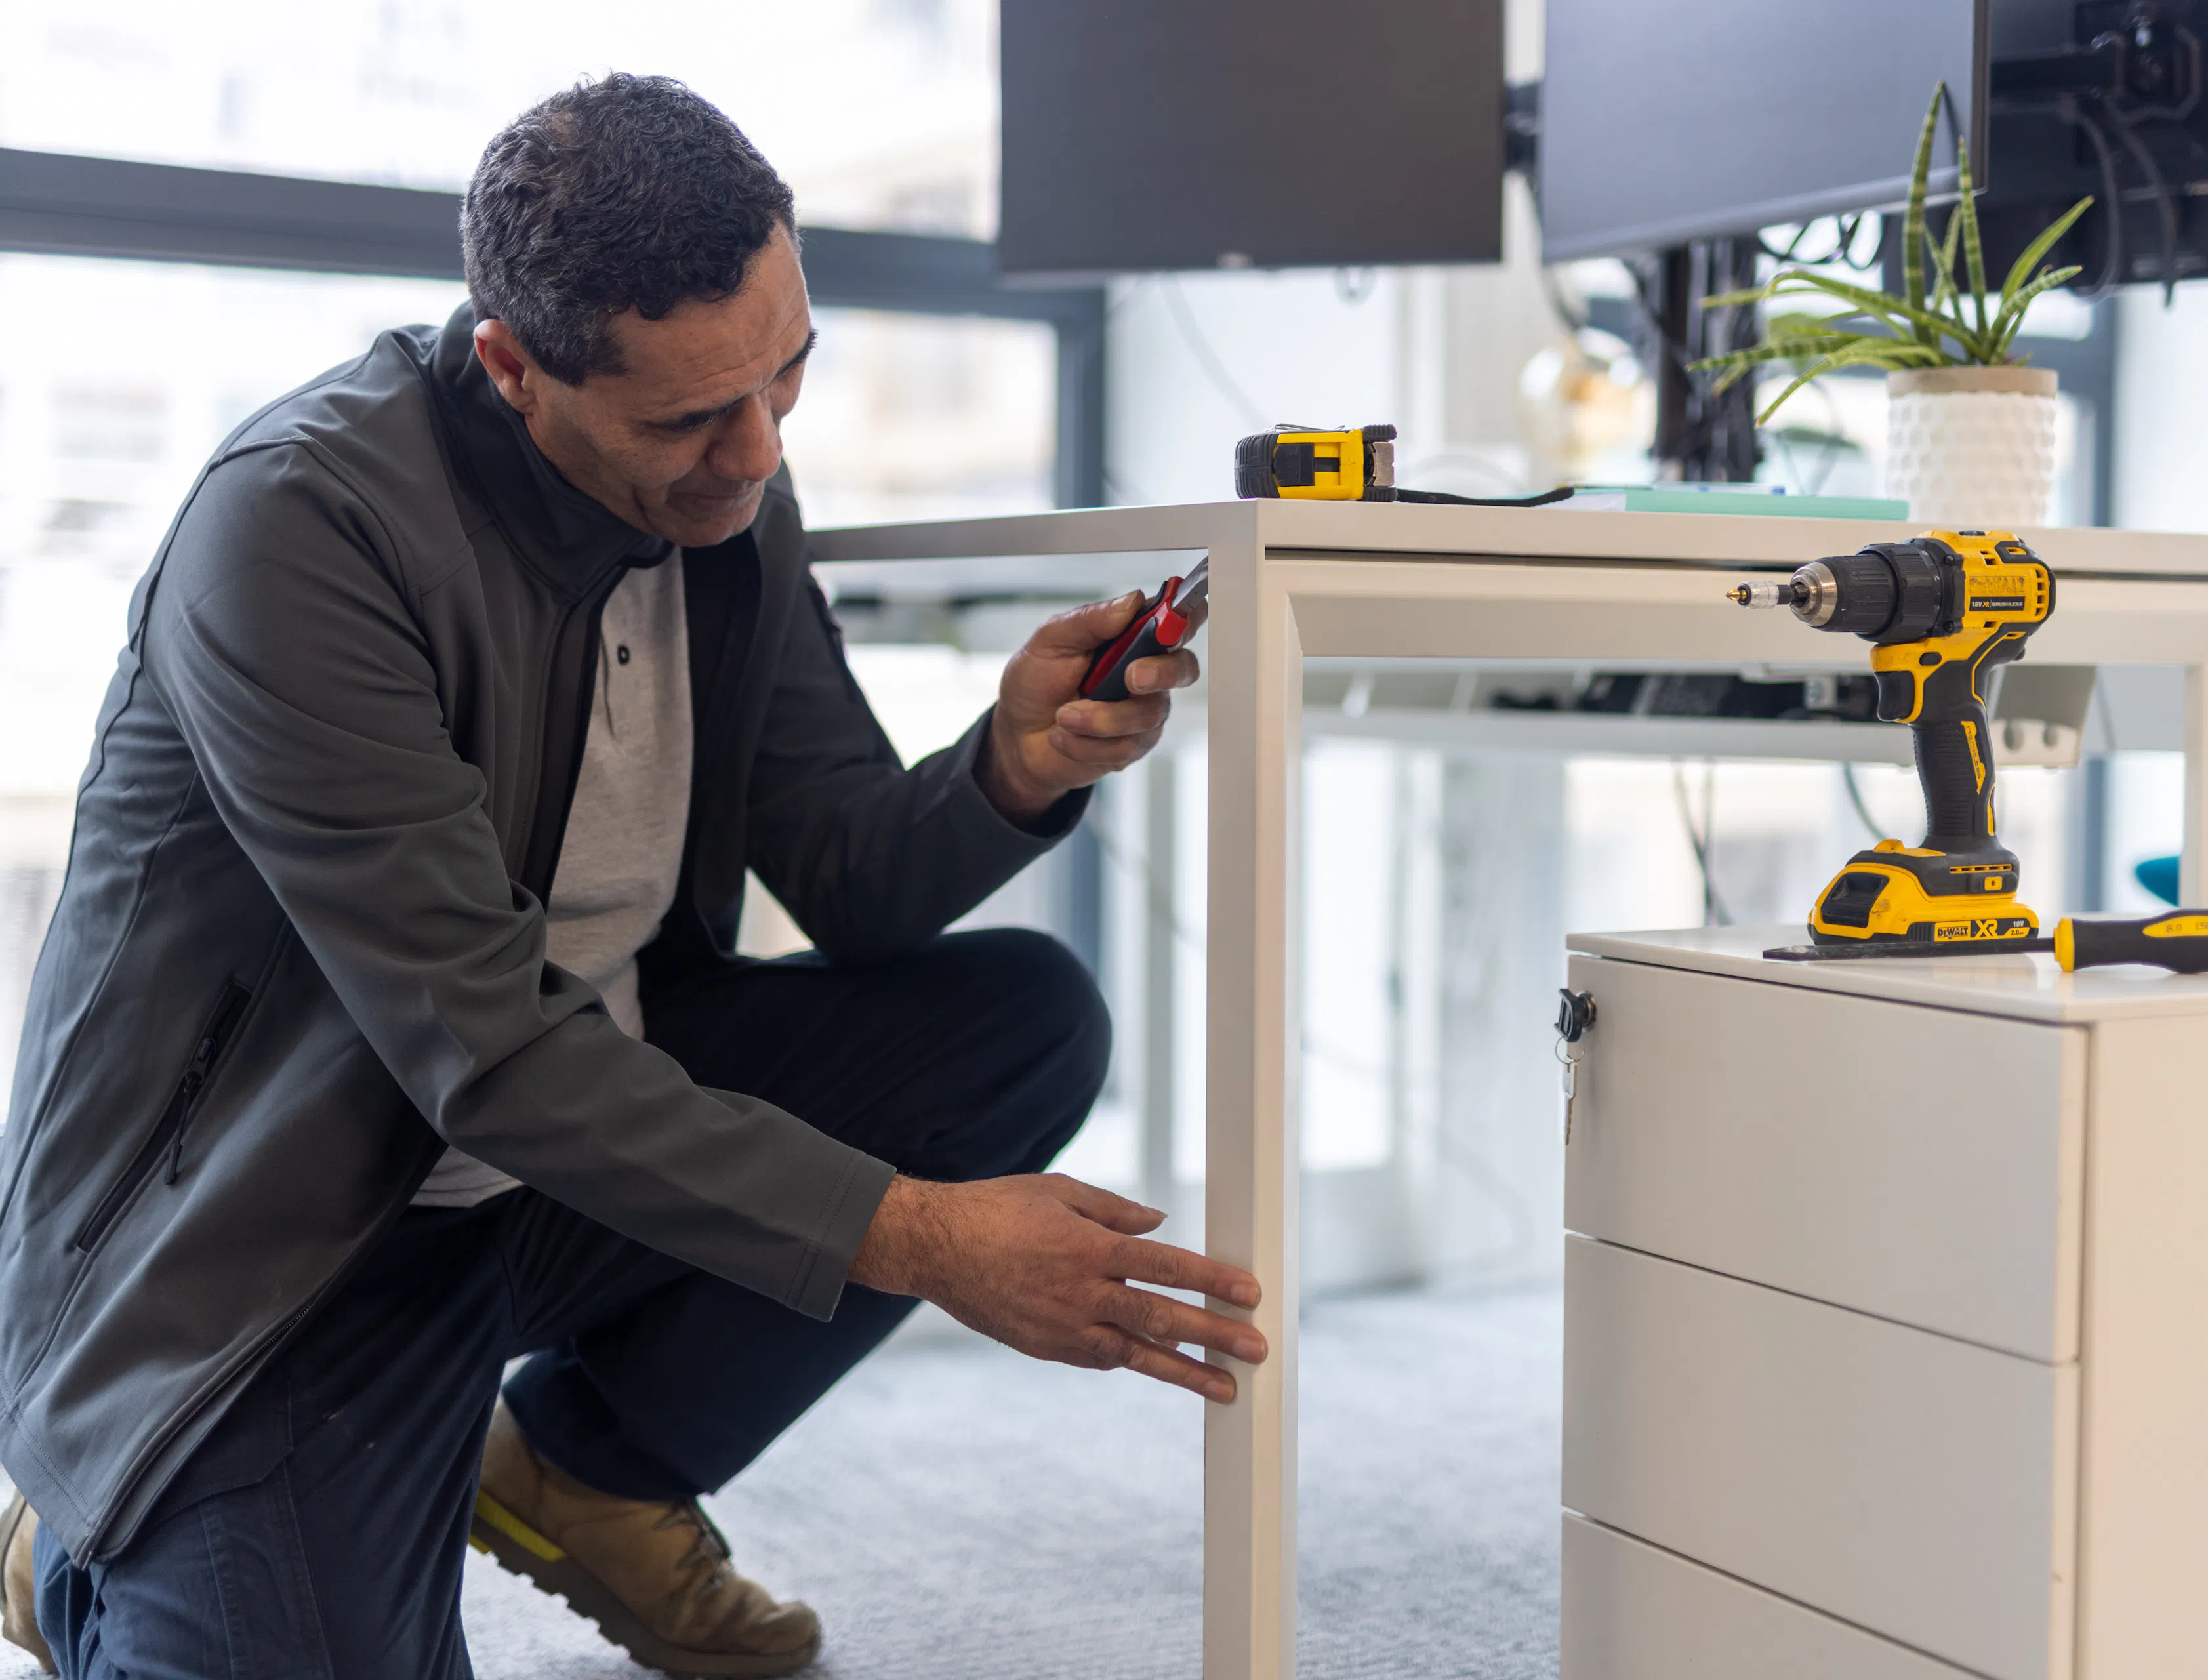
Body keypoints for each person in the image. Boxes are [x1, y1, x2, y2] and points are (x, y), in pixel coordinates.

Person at [0, 74, 1265, 1679]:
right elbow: (493, 1054)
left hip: (544, 1186)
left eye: (788, 376)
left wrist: (1012, 766)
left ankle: (589, 1473)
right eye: (689, 418)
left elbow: (853, 874)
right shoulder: (302, 532)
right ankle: (96, 1522)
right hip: (281, 1249)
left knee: (1016, 1021)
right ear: (514, 365)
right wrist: (934, 1240)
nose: (754, 456)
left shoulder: (730, 499)